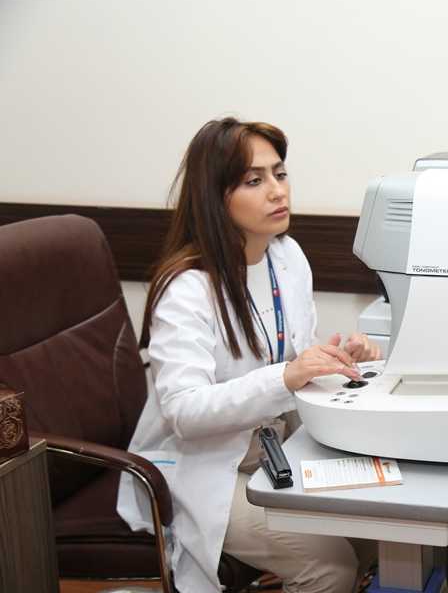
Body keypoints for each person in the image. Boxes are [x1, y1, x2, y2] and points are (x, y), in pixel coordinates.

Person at [117, 118, 380, 593]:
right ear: (215, 197)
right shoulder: (187, 289)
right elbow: (183, 412)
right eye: (254, 181)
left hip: (274, 450)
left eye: (280, 174)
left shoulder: (286, 257)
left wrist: (337, 358)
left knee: (378, 530)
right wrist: (287, 376)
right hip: (204, 467)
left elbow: (293, 353)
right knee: (331, 567)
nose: (277, 191)